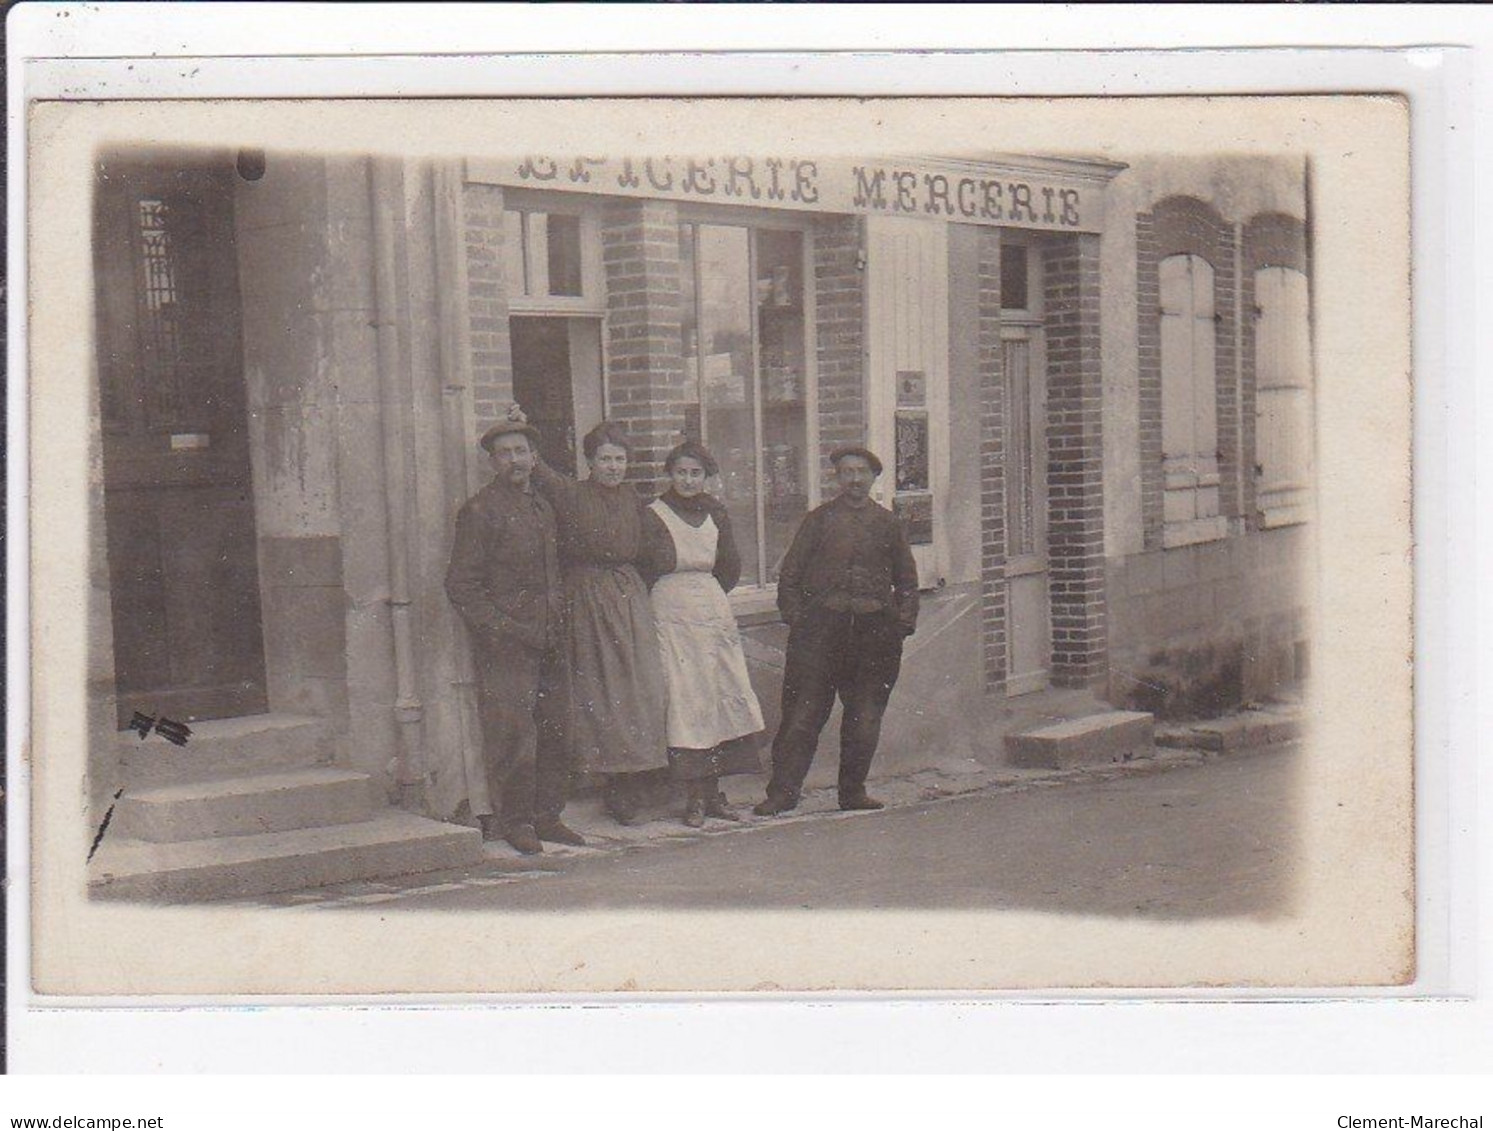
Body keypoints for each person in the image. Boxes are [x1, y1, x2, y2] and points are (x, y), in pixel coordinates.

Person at [753, 445, 920, 817]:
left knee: (865, 717)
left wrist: (901, 625)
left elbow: (907, 581)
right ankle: (782, 793)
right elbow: (790, 576)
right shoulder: (819, 520)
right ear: (837, 478)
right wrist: (799, 621)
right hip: (821, 634)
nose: (855, 479)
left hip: (874, 635)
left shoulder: (889, 524)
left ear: (874, 477)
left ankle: (852, 791)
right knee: (802, 716)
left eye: (862, 472)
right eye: (847, 472)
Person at [523, 408, 671, 825]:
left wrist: (635, 585)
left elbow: (658, 550)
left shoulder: (633, 501)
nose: (613, 467)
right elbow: (540, 471)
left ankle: (633, 780)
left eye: (620, 460)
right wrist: (522, 424)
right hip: (588, 602)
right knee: (600, 692)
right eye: (605, 459)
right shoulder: (572, 494)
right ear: (590, 462)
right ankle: (606, 781)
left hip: (629, 601)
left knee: (637, 690)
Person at [444, 417, 584, 855]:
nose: (514, 461)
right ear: (492, 462)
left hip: (551, 638)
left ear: (534, 457)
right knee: (515, 735)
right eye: (504, 454)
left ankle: (548, 816)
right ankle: (516, 820)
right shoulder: (480, 510)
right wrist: (503, 631)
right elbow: (461, 585)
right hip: (508, 647)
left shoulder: (544, 506)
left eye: (521, 451)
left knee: (557, 729)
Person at [640, 441, 766, 828]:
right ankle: (693, 797)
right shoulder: (653, 514)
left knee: (717, 695)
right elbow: (645, 566)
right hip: (671, 610)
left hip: (711, 609)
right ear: (670, 474)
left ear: (706, 476)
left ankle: (714, 795)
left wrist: (708, 596)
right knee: (685, 699)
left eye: (695, 473)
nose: (688, 480)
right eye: (681, 472)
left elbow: (729, 565)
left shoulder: (716, 512)